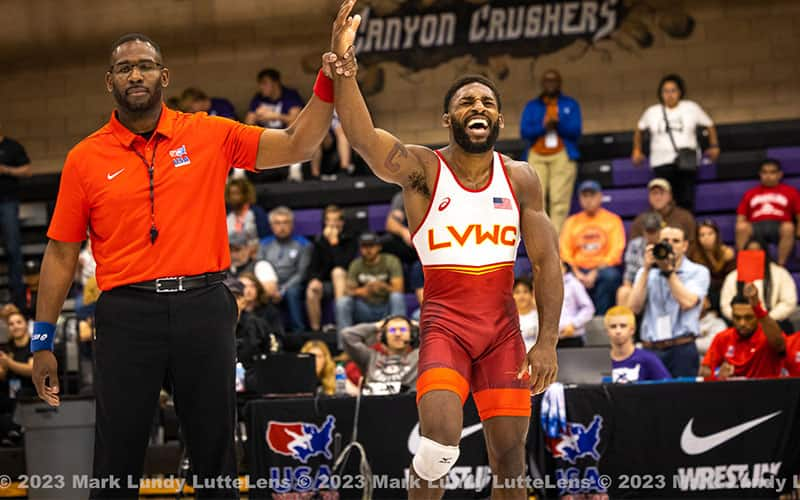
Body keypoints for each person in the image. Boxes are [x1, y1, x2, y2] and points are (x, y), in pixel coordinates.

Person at [31, 27, 341, 499]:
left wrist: (327, 77)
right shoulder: (84, 158)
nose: (135, 74)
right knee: (115, 459)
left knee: (215, 455)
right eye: (124, 68)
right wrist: (41, 339)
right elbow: (60, 252)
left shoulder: (208, 132)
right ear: (109, 82)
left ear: (165, 76)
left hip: (204, 304)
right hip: (125, 314)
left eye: (145, 65)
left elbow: (299, 144)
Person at [329, 6, 563, 497]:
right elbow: (365, 140)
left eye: (485, 101)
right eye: (465, 101)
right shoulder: (422, 170)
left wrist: (546, 342)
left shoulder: (521, 178)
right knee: (437, 449)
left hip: (503, 333)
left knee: (512, 462)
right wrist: (344, 65)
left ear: (498, 116)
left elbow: (546, 264)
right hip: (445, 327)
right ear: (448, 117)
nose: (476, 106)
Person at [627, 225, 710, 377]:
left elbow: (687, 302)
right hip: (651, 348)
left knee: (683, 399)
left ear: (685, 246)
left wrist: (668, 272)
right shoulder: (646, 272)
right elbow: (633, 307)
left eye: (676, 241)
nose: (670, 245)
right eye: (665, 240)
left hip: (682, 348)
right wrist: (645, 269)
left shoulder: (698, 271)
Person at [632, 74, 720, 211]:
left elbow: (709, 125)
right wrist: (637, 149)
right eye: (666, 91)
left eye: (673, 90)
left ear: (680, 92)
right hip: (661, 163)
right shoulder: (652, 111)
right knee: (663, 202)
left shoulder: (691, 107)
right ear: (661, 94)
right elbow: (639, 129)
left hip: (686, 162)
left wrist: (714, 145)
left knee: (686, 200)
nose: (669, 94)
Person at [519, 69, 582, 233]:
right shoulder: (532, 106)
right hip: (537, 155)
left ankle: (556, 251)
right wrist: (543, 126)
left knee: (559, 202)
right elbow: (524, 131)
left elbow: (576, 130)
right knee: (536, 201)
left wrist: (558, 124)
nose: (551, 83)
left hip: (562, 154)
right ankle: (541, 245)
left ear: (560, 83)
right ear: (542, 83)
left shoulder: (570, 104)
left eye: (554, 80)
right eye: (547, 80)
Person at [559, 180, 624, 314]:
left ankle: (600, 319)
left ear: (600, 197)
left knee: (610, 276)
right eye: (585, 196)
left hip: (602, 268)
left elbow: (615, 252)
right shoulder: (571, 222)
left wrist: (595, 271)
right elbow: (565, 251)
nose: (588, 200)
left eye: (592, 195)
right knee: (561, 278)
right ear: (580, 199)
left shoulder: (613, 220)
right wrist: (577, 272)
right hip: (577, 269)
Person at [700, 283, 786, 380]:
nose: (742, 323)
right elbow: (705, 371)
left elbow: (779, 344)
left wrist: (757, 307)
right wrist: (717, 374)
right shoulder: (722, 338)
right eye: (737, 317)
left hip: (765, 391)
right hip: (732, 392)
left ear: (757, 316)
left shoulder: (768, 336)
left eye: (748, 317)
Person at [720, 239, 797, 331]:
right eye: (750, 251)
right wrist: (741, 318)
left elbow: (789, 302)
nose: (753, 255)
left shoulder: (780, 273)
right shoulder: (733, 276)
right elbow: (725, 305)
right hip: (741, 322)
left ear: (765, 253)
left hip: (773, 321)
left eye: (757, 251)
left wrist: (766, 319)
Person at [245, 68, 306, 182]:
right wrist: (256, 115)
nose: (261, 87)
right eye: (260, 84)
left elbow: (295, 119)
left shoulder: (290, 95)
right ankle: (239, 174)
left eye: (265, 83)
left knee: (297, 128)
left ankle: (295, 169)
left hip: (285, 137)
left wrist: (275, 116)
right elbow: (248, 121)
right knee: (243, 134)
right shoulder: (258, 98)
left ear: (275, 83)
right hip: (266, 138)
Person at [335, 232, 405, 331]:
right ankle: (344, 343)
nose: (368, 250)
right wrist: (363, 290)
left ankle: (399, 333)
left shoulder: (391, 261)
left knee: (397, 297)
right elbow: (348, 291)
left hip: (386, 307)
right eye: (364, 246)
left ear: (379, 247)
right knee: (343, 302)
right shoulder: (356, 264)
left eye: (371, 245)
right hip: (364, 308)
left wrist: (383, 286)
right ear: (360, 249)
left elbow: (399, 289)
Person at [735, 158, 800, 265]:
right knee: (741, 227)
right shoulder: (750, 193)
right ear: (760, 174)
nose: (768, 176)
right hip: (756, 226)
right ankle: (746, 265)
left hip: (780, 226)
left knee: (789, 227)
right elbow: (741, 217)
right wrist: (740, 225)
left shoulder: (791, 192)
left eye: (772, 172)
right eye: (764, 172)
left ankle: (780, 265)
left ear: (780, 174)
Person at [258, 206, 311, 332]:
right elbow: (260, 267)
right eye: (277, 223)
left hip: (293, 283)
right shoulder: (264, 244)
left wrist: (282, 290)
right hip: (269, 284)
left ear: (292, 225)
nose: (282, 227)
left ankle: (298, 330)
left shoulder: (304, 244)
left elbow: (301, 273)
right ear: (271, 226)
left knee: (292, 291)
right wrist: (270, 288)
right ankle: (267, 333)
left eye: (285, 222)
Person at [305, 205, 358, 331]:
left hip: (347, 282)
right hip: (326, 284)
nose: (333, 224)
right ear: (325, 222)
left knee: (337, 272)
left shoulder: (350, 239)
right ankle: (316, 331)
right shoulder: (319, 241)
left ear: (342, 222)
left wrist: (334, 244)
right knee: (311, 290)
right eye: (330, 220)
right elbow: (312, 267)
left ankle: (341, 326)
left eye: (336, 220)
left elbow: (344, 264)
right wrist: (314, 279)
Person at [341, 315, 419, 394]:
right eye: (392, 330)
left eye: (403, 329)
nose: (397, 334)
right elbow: (347, 335)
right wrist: (377, 326)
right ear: (384, 336)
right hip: (373, 403)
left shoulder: (419, 357)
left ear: (412, 334)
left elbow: (432, 332)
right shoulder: (370, 357)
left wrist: (416, 325)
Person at [0, 123, 31, 309]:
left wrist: (5, 170)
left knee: (13, 249)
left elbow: (27, 170)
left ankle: (18, 300)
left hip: (8, 202)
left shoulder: (12, 146)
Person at [605, 306, 670, 383]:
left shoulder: (648, 359)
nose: (618, 331)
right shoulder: (600, 362)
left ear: (632, 330)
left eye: (623, 326)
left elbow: (667, 387)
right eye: (613, 327)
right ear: (607, 331)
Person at [0, 312, 34, 447]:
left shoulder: (34, 344)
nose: (15, 326)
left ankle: (15, 430)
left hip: (31, 390)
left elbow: (32, 370)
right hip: (9, 391)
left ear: (26, 324)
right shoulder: (6, 347)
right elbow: (2, 374)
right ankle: (7, 434)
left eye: (19, 322)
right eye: (11, 324)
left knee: (22, 393)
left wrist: (9, 363)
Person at [688, 219, 736, 312]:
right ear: (697, 238)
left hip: (725, 293)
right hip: (704, 295)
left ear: (717, 235)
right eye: (702, 235)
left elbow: (731, 279)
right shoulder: (693, 257)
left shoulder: (727, 253)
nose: (707, 237)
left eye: (710, 234)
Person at [617, 211, 663, 306]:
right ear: (643, 231)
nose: (650, 235)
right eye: (648, 231)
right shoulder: (635, 245)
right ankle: (625, 320)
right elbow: (629, 277)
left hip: (663, 287)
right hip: (640, 287)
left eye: (653, 231)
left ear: (660, 230)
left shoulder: (666, 245)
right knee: (623, 292)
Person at [628, 178, 696, 241]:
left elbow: (692, 244)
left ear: (670, 196)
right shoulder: (640, 221)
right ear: (649, 197)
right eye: (654, 193)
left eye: (662, 193)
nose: (658, 197)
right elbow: (634, 247)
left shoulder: (685, 218)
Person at [559, 263, 596, 347]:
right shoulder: (545, 285)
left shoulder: (573, 284)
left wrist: (574, 324)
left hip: (572, 336)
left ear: (565, 269)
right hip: (551, 339)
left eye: (559, 267)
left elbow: (589, 308)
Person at [239, 272, 285, 337]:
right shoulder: (234, 311)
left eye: (252, 286)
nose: (248, 290)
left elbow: (278, 335)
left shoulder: (269, 310)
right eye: (244, 286)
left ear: (258, 288)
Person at [226, 177, 269, 243]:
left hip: (255, 250)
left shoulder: (257, 212)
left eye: (237, 193)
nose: (233, 197)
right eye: (231, 194)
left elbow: (265, 238)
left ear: (246, 194)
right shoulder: (227, 214)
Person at [513, 277, 538, 352]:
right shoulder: (507, 320)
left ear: (531, 294)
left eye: (525, 291)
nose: (521, 296)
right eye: (517, 292)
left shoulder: (539, 317)